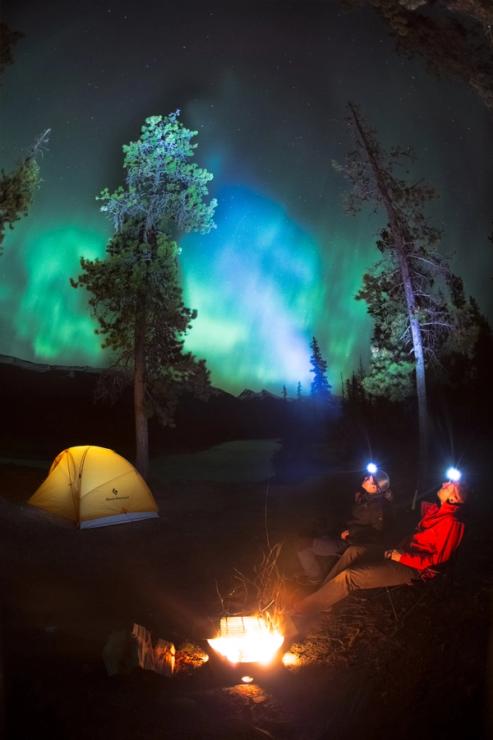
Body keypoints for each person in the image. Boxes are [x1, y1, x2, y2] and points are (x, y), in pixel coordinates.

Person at [292, 478, 467, 617]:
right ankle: (321, 599)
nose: (444, 483)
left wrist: (402, 557)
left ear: (454, 498)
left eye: (450, 485)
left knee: (350, 577)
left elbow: (437, 561)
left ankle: (303, 608)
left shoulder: (451, 523)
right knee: (353, 551)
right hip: (400, 552)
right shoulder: (435, 511)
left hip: (414, 569)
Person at [296, 469, 393, 584]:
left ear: (375, 488)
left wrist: (351, 532)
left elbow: (377, 532)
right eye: (367, 476)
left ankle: (315, 579)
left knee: (302, 545)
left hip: (350, 543)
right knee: (309, 533)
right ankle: (318, 569)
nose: (365, 478)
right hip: (342, 534)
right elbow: (350, 515)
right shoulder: (364, 497)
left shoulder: (379, 508)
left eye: (368, 479)